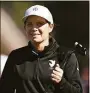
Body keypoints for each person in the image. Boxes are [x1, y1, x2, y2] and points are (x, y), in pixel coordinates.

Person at [0, 5, 83, 93]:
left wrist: (62, 82)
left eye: (39, 24)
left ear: (50, 27)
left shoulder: (66, 56)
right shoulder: (15, 56)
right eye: (29, 24)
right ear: (25, 28)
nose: (34, 28)